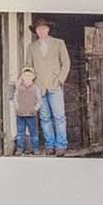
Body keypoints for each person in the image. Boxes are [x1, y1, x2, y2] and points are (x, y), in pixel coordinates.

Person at [28, 17, 72, 154]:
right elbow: (28, 67)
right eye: (38, 29)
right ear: (36, 31)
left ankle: (61, 146)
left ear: (48, 29)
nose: (41, 31)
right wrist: (32, 83)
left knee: (59, 117)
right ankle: (50, 145)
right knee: (45, 118)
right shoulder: (32, 47)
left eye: (44, 28)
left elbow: (66, 63)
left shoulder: (59, 43)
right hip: (39, 87)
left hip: (54, 85)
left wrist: (60, 80)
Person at [11, 66, 42, 153]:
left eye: (29, 75)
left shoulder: (35, 88)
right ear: (22, 77)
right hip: (20, 114)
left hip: (31, 114)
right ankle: (20, 148)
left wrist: (35, 108)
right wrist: (17, 108)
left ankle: (35, 149)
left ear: (33, 77)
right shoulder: (19, 88)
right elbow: (15, 98)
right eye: (25, 75)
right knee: (20, 132)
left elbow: (39, 100)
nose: (27, 77)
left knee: (33, 132)